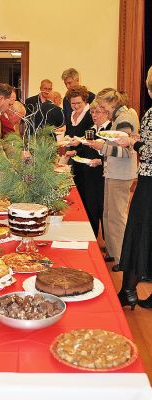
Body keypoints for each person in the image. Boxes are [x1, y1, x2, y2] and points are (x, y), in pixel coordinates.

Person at [86, 89, 139, 270]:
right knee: (109, 216)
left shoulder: (124, 118)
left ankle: (121, 259)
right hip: (114, 172)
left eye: (103, 106)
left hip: (120, 173)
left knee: (116, 217)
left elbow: (124, 151)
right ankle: (114, 252)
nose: (101, 109)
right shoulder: (121, 115)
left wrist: (102, 147)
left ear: (112, 102)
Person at [115, 66, 152, 309]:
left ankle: (128, 290)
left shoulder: (150, 113)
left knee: (138, 232)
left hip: (149, 182)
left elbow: (149, 153)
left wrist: (133, 143)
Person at [80, 100, 111, 237]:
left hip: (104, 173)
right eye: (92, 112)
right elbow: (85, 150)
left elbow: (114, 152)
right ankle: (91, 237)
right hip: (90, 172)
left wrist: (100, 161)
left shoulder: (110, 129)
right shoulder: (91, 129)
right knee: (91, 205)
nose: (94, 115)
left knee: (104, 207)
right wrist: (76, 151)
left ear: (106, 113)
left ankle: (108, 242)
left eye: (97, 112)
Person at [63, 85, 93, 203]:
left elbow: (92, 136)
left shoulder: (90, 114)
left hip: (86, 157)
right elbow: (70, 133)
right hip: (75, 156)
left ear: (85, 101)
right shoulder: (72, 114)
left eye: (79, 103)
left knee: (85, 192)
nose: (75, 106)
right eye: (73, 103)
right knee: (77, 188)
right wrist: (67, 139)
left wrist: (79, 141)